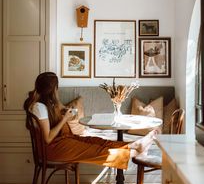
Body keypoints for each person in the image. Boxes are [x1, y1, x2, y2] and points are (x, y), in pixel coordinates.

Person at [24, 72, 157, 170]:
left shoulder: (46, 103)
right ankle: (134, 153)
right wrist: (64, 119)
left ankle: (135, 145)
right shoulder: (39, 107)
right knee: (95, 150)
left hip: (61, 141)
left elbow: (58, 111)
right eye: (56, 88)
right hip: (52, 149)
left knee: (95, 141)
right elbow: (47, 138)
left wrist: (60, 105)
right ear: (53, 89)